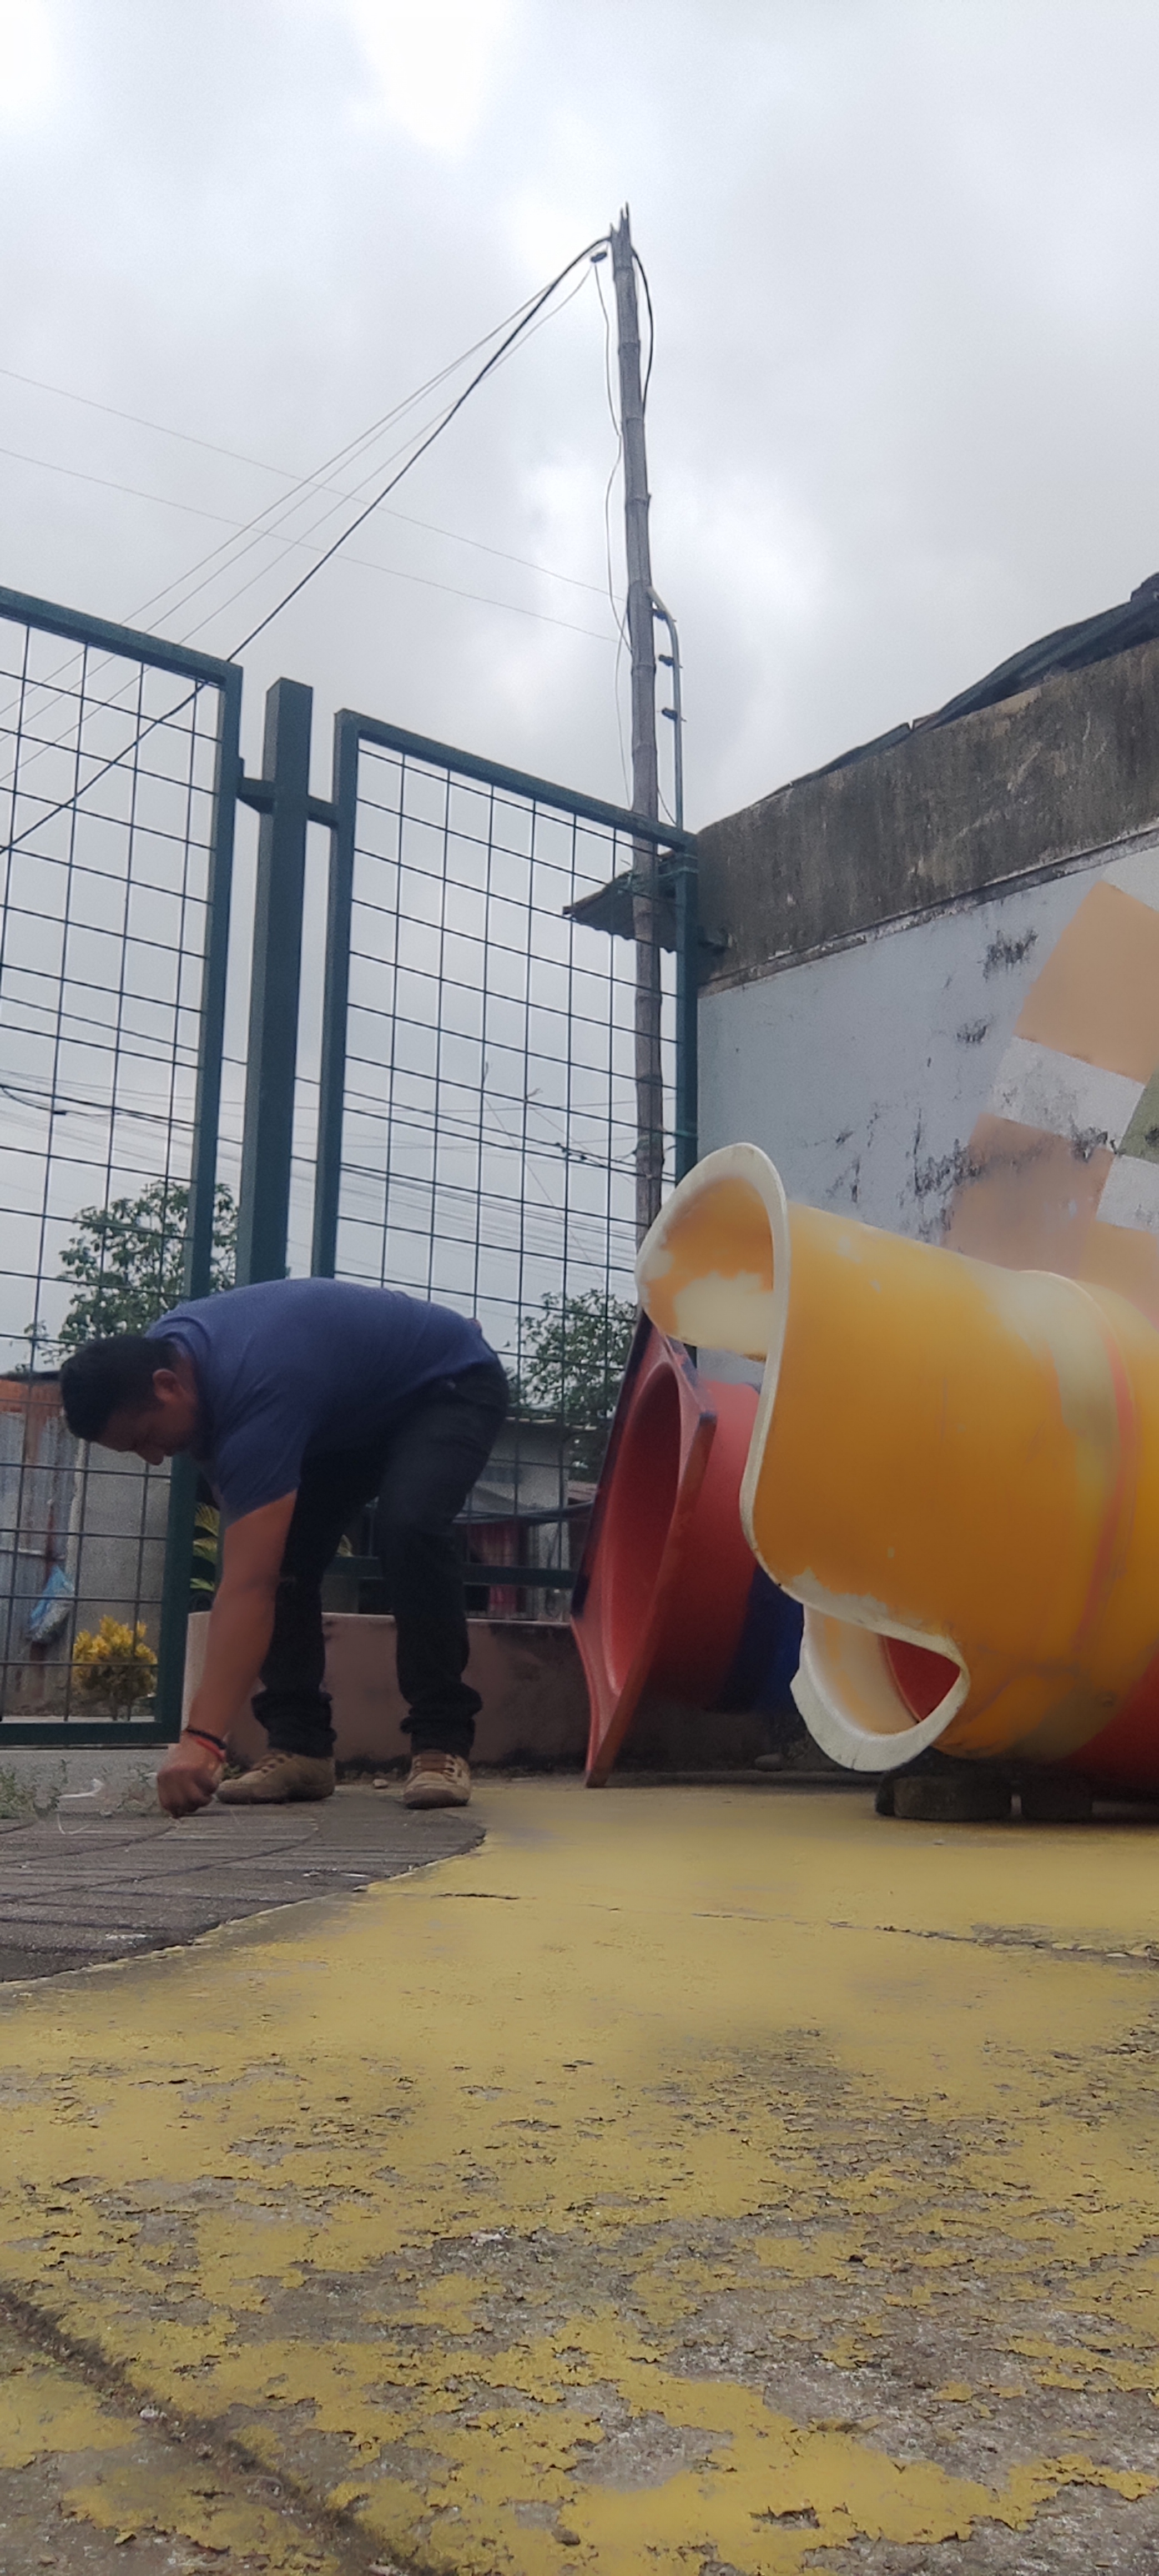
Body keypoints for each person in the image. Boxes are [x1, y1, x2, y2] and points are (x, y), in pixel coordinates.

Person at [59, 1279, 508, 1821]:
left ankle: (441, 1741)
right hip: (348, 1418)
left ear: (167, 1385)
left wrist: (201, 1738)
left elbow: (249, 1587)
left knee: (409, 1526)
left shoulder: (254, 1387)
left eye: (145, 1438)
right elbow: (257, 1570)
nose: (154, 1457)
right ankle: (300, 1746)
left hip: (447, 1384)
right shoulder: (169, 1367)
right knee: (285, 1552)